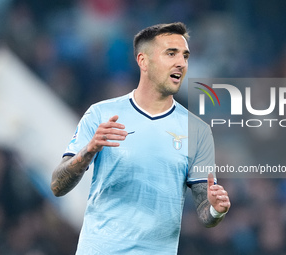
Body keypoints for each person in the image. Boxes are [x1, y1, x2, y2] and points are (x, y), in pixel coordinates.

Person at [51, 22, 230, 255]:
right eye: (171, 54)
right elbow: (57, 185)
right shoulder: (101, 114)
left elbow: (205, 212)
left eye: (185, 56)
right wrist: (88, 150)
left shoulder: (197, 131)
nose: (181, 63)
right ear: (143, 61)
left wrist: (216, 210)